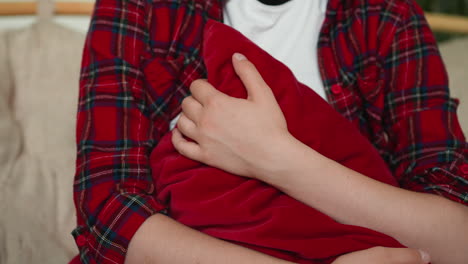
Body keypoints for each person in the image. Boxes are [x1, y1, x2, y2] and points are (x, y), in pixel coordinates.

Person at [71, 0, 468, 263]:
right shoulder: (144, 7)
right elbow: (109, 212)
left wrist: (273, 156)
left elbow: (456, 238)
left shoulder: (386, 16)